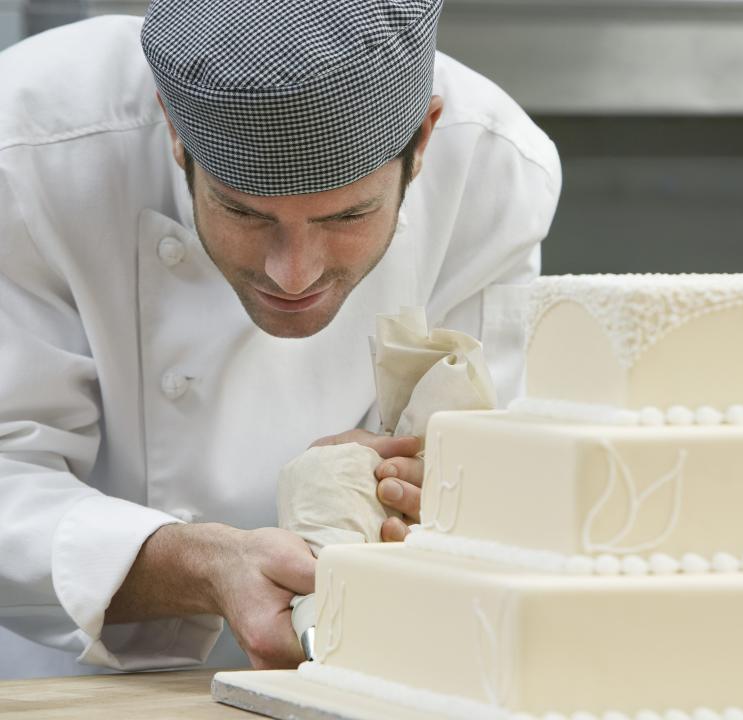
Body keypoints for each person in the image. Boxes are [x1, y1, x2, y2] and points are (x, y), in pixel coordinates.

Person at [0, 0, 561, 678]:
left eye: (348, 214)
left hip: (358, 678)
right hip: (54, 685)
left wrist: (439, 499)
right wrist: (200, 567)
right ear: (173, 130)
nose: (292, 273)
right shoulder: (30, 147)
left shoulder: (494, 169)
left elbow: (496, 472)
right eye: (241, 211)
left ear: (424, 135)